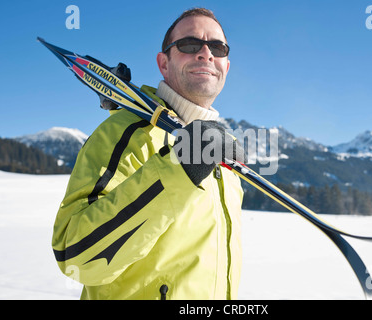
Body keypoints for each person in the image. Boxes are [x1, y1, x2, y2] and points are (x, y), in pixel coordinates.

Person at [52, 8, 245, 300]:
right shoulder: (124, 133)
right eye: (190, 45)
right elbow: (75, 255)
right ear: (163, 63)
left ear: (226, 66)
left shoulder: (225, 154)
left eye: (217, 47)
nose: (205, 53)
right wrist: (179, 171)